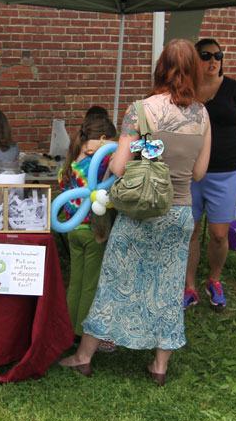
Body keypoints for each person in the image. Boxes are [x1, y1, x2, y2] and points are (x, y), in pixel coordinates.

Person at [58, 39, 211, 385]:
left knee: (114, 282)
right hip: (180, 211)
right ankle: (159, 367)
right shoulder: (203, 115)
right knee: (169, 287)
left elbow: (120, 166)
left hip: (141, 210)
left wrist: (118, 153)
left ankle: (84, 356)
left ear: (161, 68)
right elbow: (200, 172)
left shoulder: (140, 111)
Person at [183, 38, 236, 310]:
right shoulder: (186, 90)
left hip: (225, 173)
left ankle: (214, 279)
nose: (213, 61)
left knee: (218, 234)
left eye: (218, 55)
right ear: (194, 59)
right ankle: (189, 286)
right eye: (205, 55)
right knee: (189, 230)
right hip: (190, 174)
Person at [57, 112, 118, 335]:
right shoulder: (100, 162)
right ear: (102, 140)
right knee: (90, 284)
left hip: (72, 229)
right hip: (93, 231)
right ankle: (82, 332)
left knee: (75, 282)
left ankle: (66, 328)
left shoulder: (71, 162)